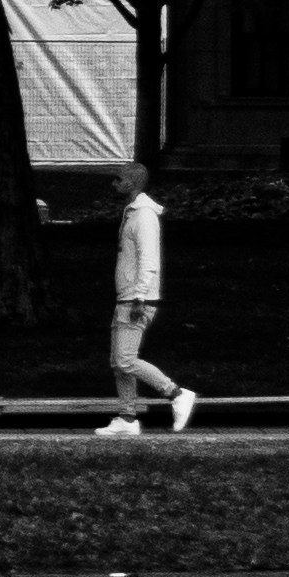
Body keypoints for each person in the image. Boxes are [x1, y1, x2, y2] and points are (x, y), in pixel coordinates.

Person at [100, 156, 197, 433]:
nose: (114, 183)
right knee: (118, 362)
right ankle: (127, 417)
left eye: (118, 178)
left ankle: (176, 393)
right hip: (127, 297)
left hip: (136, 299)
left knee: (125, 360)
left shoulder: (143, 215)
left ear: (131, 182)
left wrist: (140, 297)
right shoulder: (132, 211)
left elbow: (149, 260)